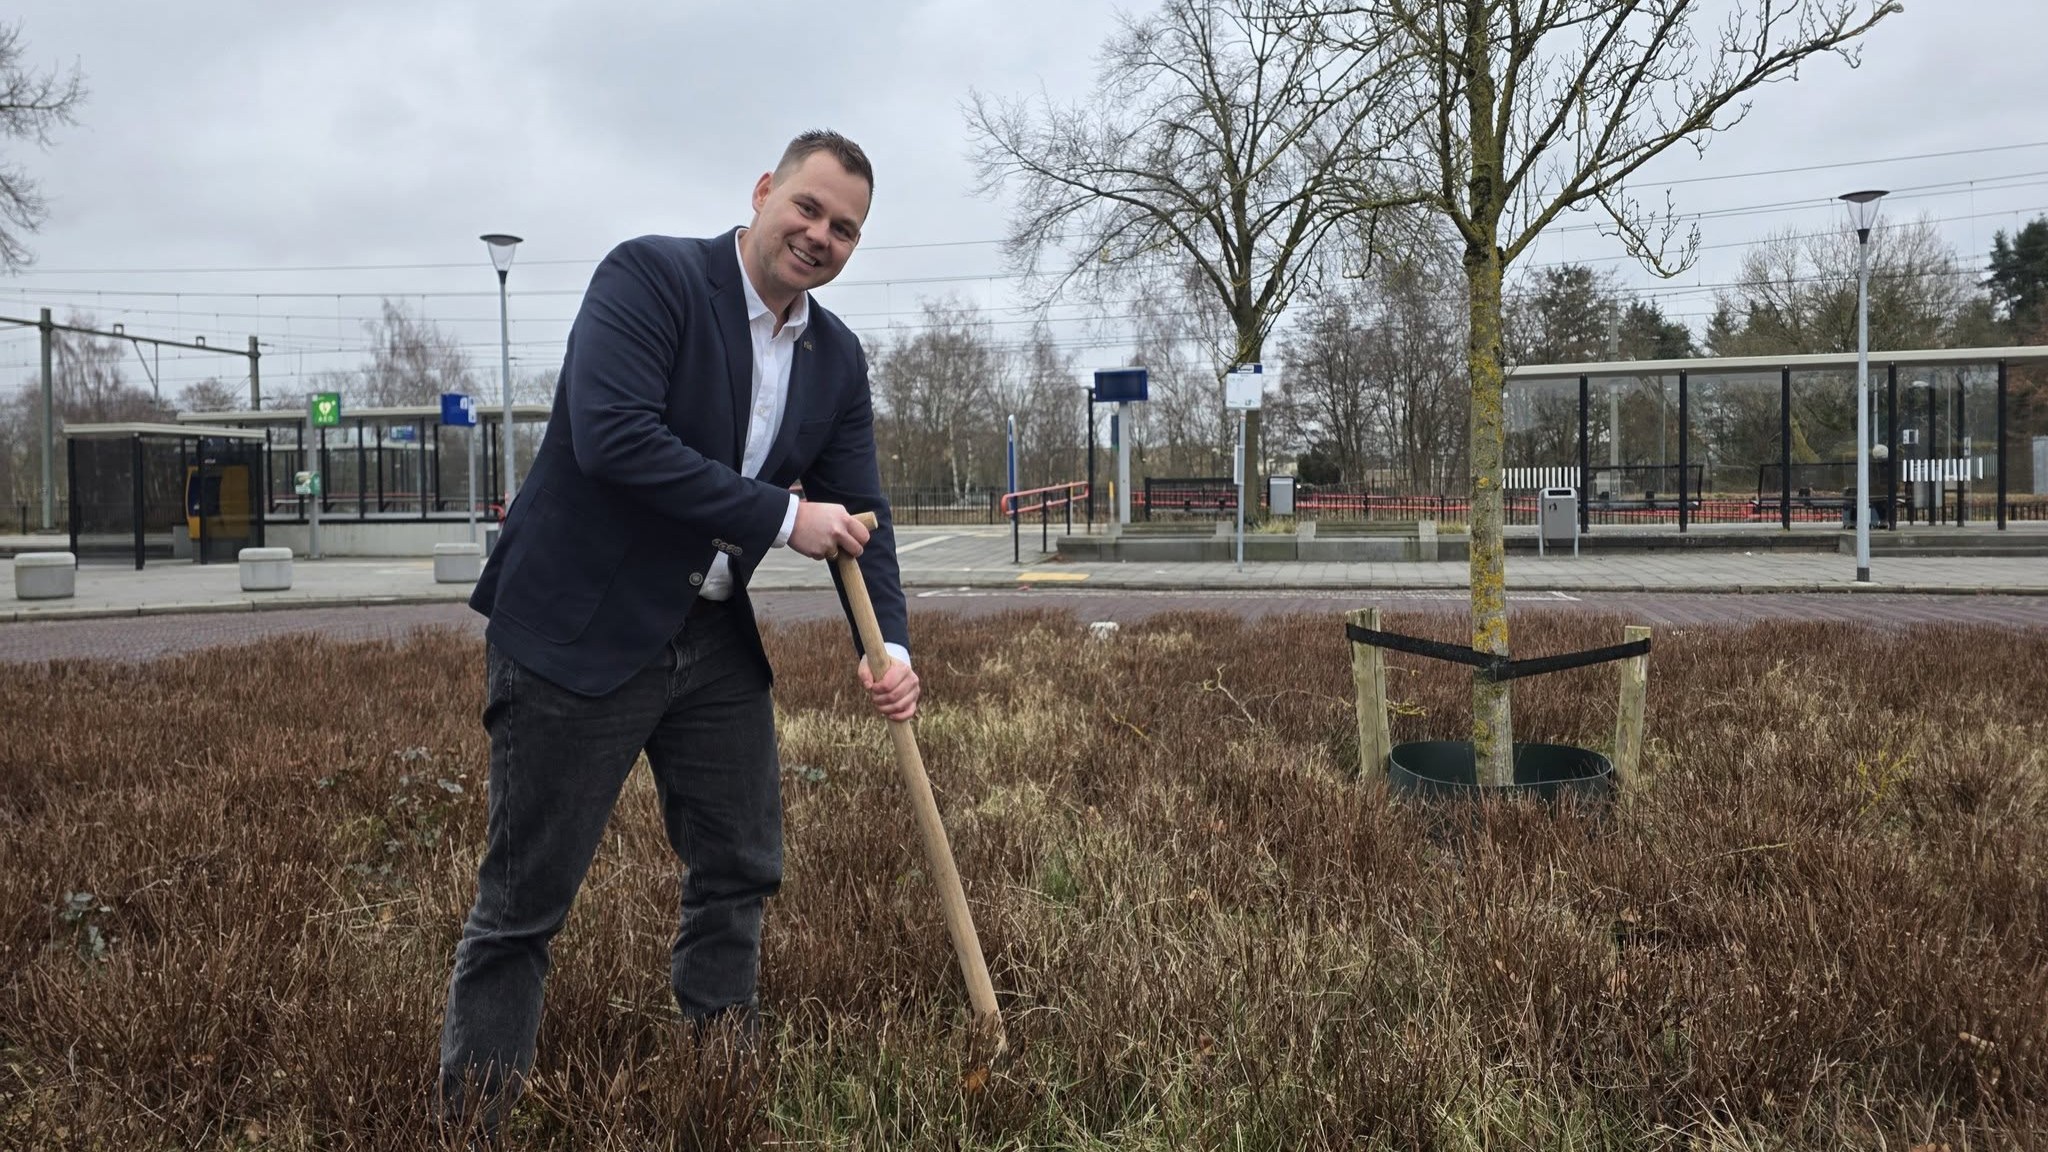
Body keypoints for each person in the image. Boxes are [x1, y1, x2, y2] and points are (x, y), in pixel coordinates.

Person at [437, 129, 917, 1128]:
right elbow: (614, 439)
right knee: (524, 904)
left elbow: (858, 515)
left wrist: (891, 651)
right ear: (762, 193)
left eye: (844, 229)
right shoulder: (649, 279)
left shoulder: (833, 359)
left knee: (740, 866)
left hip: (706, 640)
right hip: (576, 630)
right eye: (807, 208)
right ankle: (474, 1122)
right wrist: (786, 519)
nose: (819, 236)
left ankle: (718, 1086)